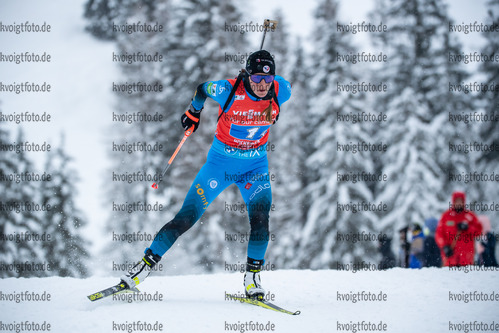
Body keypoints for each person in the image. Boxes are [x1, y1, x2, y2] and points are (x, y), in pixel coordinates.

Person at [118, 50, 292, 299]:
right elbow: (202, 89)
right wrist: (193, 112)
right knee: (185, 219)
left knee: (261, 219)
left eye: (267, 79)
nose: (262, 85)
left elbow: (282, 84)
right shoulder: (227, 90)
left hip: (255, 169)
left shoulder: (280, 90)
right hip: (219, 166)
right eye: (256, 79)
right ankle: (141, 269)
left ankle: (252, 279)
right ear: (247, 75)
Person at [435, 191, 482, 267]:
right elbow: (439, 234)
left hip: (466, 260)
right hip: (450, 258)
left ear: (464, 202)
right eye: (457, 201)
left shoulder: (470, 216)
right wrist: (444, 246)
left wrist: (468, 228)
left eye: (461, 201)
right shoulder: (446, 216)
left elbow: (479, 232)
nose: (459, 203)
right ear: (453, 202)